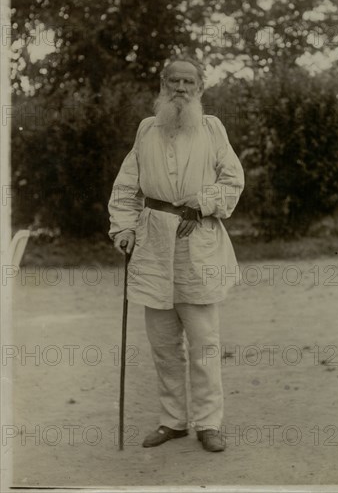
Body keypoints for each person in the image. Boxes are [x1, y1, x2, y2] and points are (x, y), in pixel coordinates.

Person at [108, 56, 244, 452]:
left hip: (197, 244)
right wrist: (124, 228)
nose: (180, 89)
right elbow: (125, 188)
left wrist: (199, 205)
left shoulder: (211, 128)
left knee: (203, 342)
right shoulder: (146, 129)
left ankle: (208, 423)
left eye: (188, 82)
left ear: (200, 88)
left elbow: (233, 180)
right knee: (163, 344)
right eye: (173, 82)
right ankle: (173, 421)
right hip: (153, 247)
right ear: (162, 86)